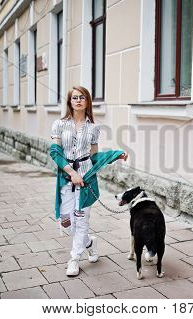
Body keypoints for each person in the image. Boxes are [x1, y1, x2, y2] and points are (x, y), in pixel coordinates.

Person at [50, 86, 127, 276]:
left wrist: (116, 155)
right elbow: (55, 152)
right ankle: (90, 243)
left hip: (87, 180)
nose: (78, 100)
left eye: (82, 97)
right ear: (69, 101)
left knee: (81, 221)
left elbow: (94, 157)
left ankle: (74, 259)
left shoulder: (93, 128)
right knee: (67, 222)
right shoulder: (59, 125)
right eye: (74, 97)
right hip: (66, 179)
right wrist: (71, 173)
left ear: (87, 101)